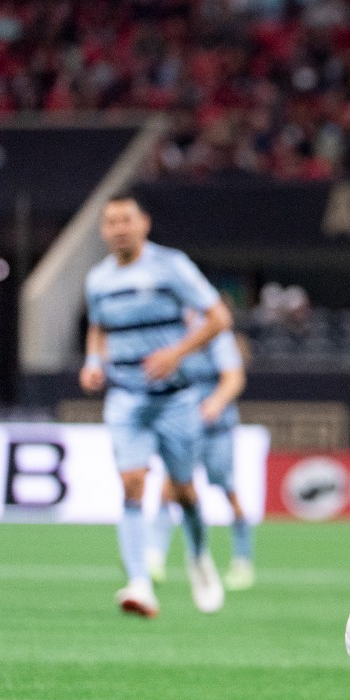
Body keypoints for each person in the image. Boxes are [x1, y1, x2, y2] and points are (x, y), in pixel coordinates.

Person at [81, 194, 231, 618]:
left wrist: (176, 354)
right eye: (110, 222)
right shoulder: (98, 280)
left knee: (183, 491)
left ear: (144, 223)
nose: (119, 228)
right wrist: (93, 361)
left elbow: (219, 318)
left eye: (126, 219)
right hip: (126, 399)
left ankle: (199, 557)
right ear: (103, 230)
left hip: (176, 401)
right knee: (132, 483)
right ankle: (140, 584)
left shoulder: (171, 266)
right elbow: (98, 327)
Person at [149, 322, 257, 591]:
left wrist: (215, 403)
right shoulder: (177, 340)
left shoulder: (220, 341)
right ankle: (154, 557)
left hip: (216, 431)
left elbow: (234, 379)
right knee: (168, 490)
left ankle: (242, 560)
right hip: (184, 429)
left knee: (228, 491)